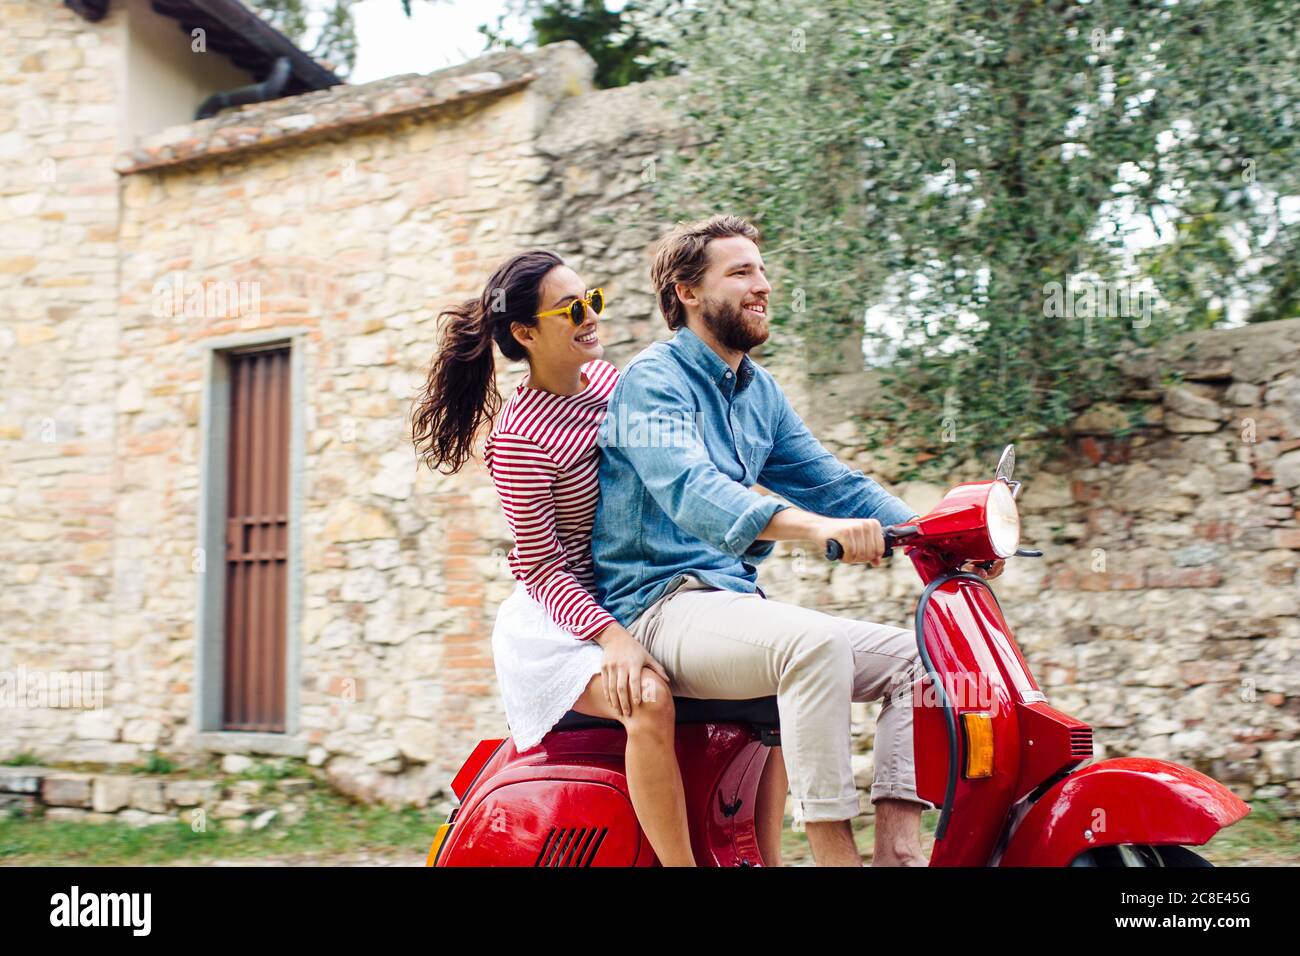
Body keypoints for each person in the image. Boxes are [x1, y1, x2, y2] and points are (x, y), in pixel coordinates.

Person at [591, 214, 1004, 866]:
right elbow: (693, 492)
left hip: (729, 606)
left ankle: (898, 853)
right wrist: (815, 531)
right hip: (658, 607)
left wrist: (944, 540)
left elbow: (836, 486)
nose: (763, 285)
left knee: (922, 657)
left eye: (762, 269)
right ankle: (834, 859)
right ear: (689, 291)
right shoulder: (654, 380)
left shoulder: (759, 392)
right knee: (812, 646)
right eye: (741, 272)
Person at [411, 251, 709, 864]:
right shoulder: (519, 440)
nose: (590, 316)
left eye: (591, 299)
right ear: (525, 333)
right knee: (647, 700)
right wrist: (613, 639)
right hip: (562, 617)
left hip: (635, 583)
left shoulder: (610, 383)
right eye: (572, 308)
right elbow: (543, 567)